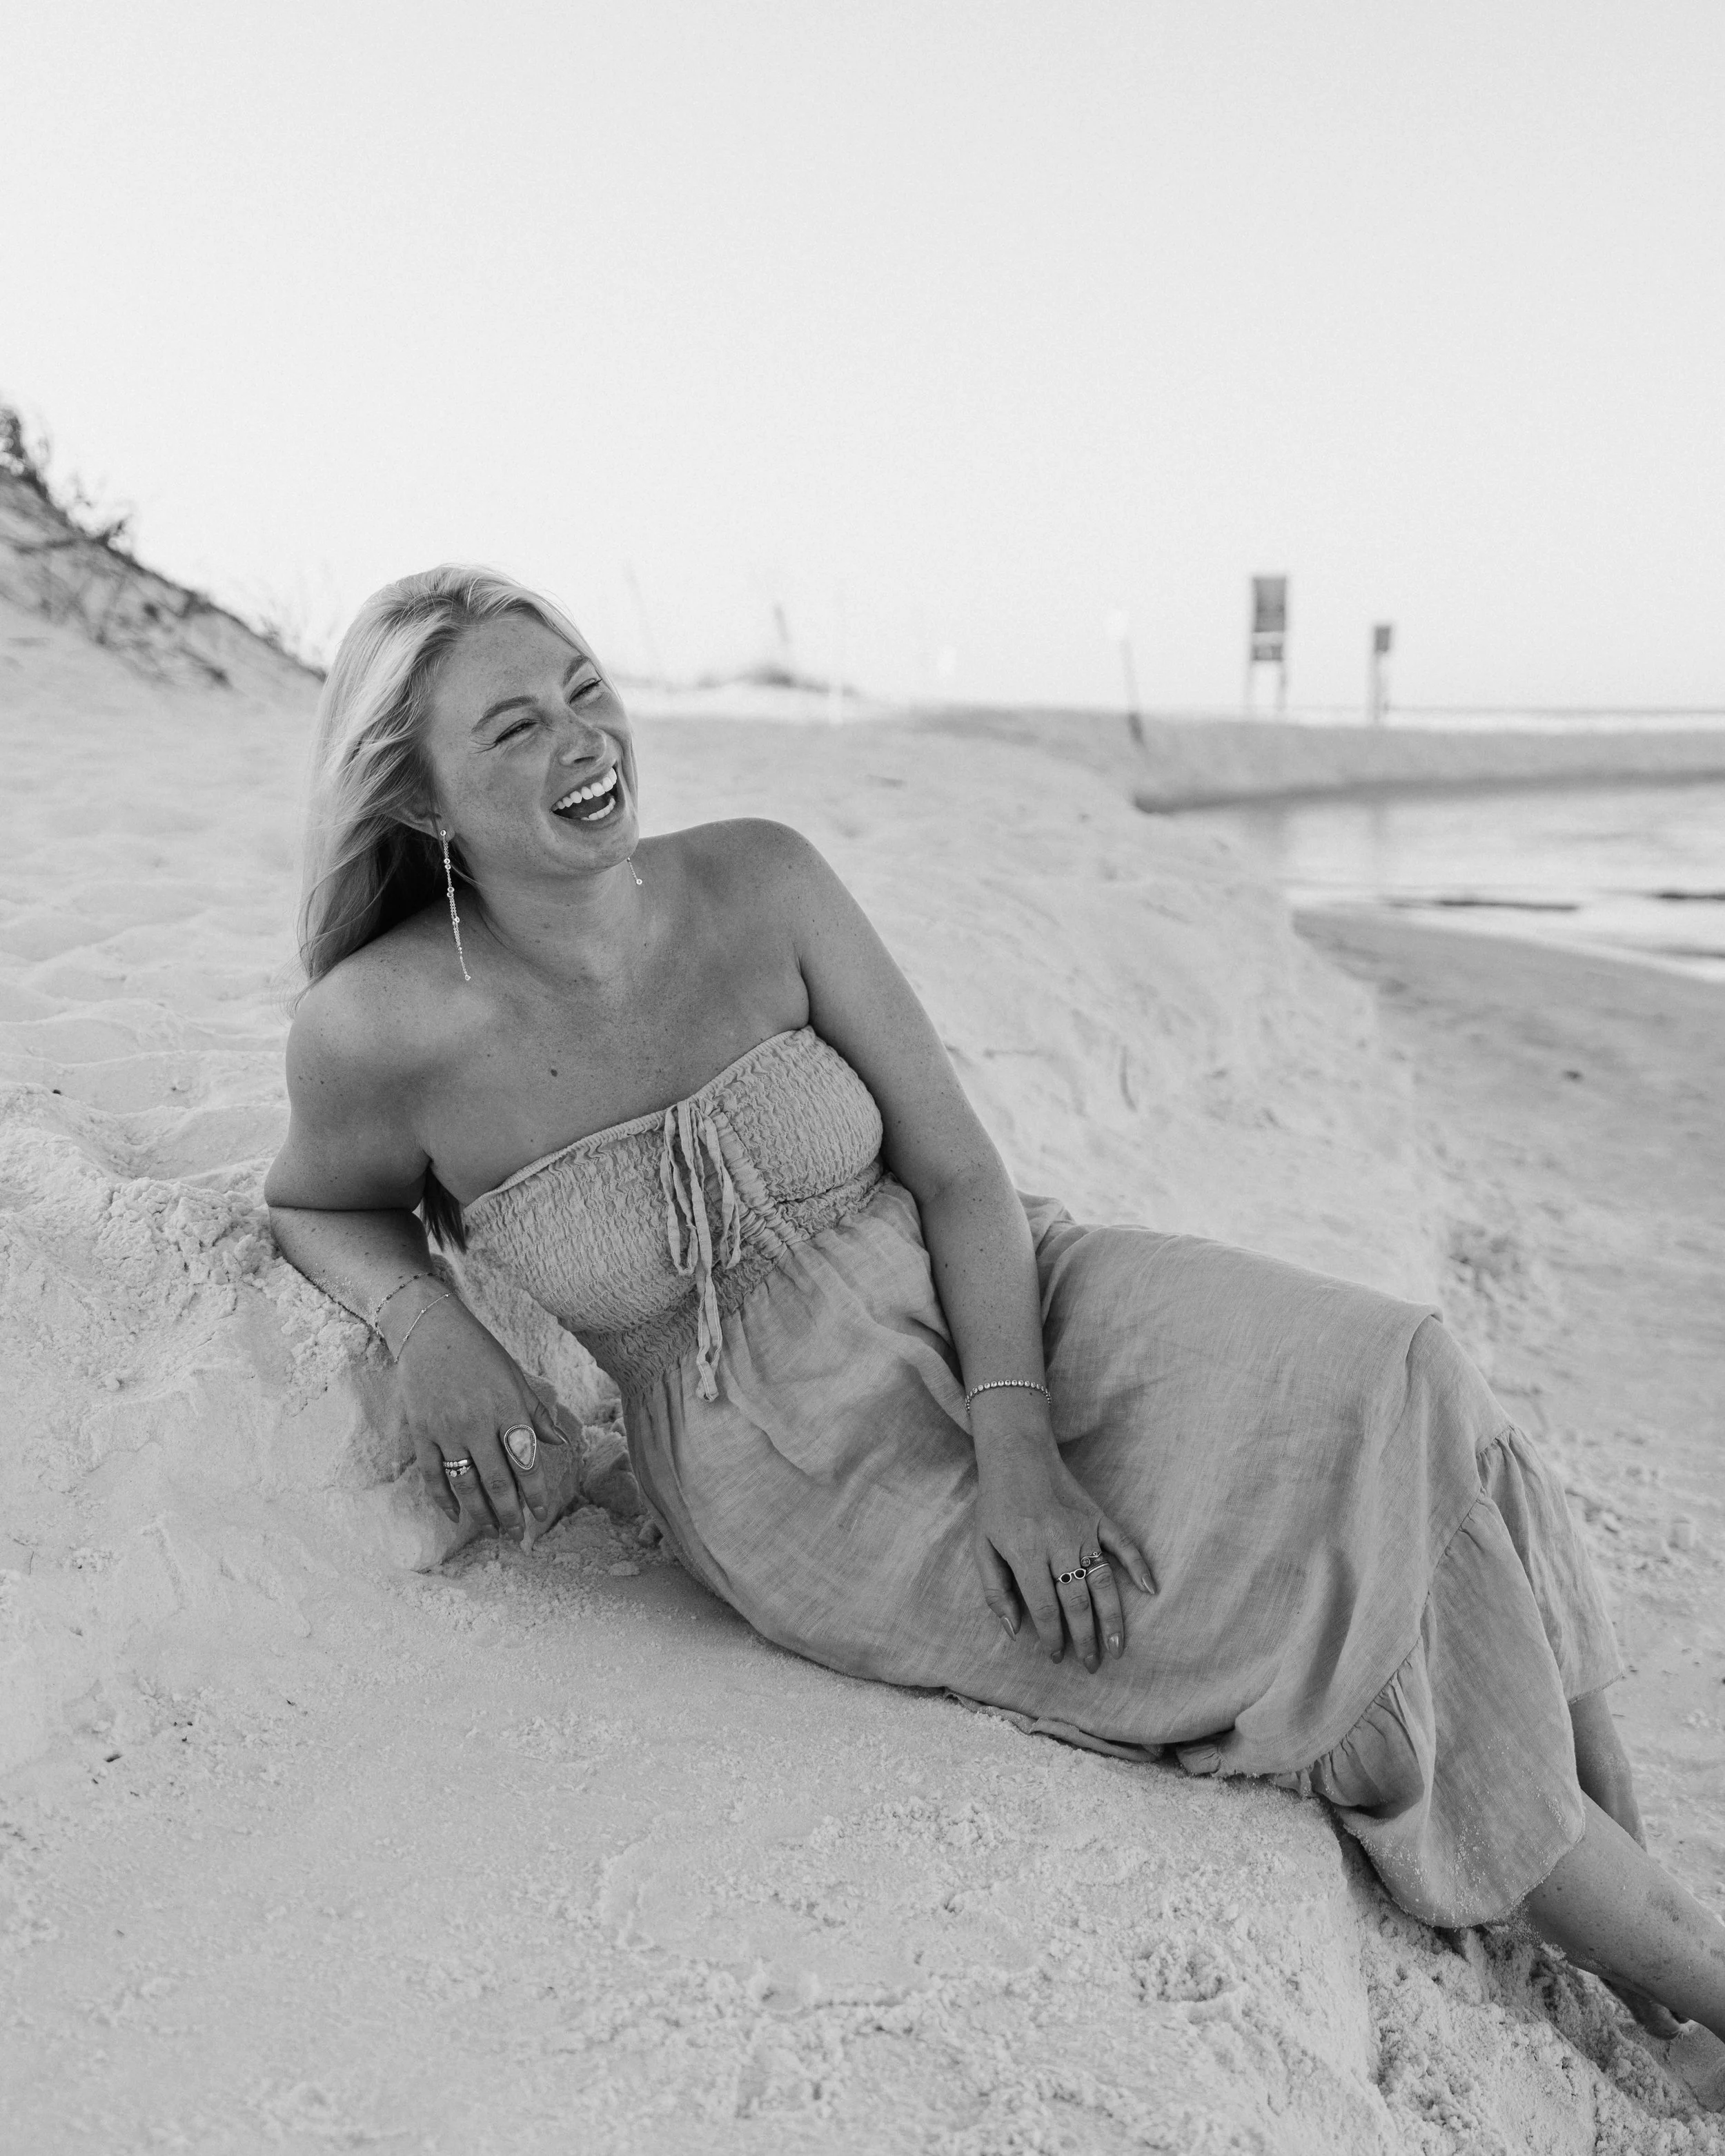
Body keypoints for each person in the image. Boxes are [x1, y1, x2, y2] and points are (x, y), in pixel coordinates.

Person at [265, 565, 1725, 2048]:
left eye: (584, 689)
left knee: (1398, 1372)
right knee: (1311, 1638)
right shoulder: (379, 1030)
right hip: (806, 1475)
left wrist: (1021, 1449)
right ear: (424, 801)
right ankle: (1680, 1964)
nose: (583, 739)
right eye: (512, 727)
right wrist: (423, 1318)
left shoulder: (759, 876)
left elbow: (957, 1165)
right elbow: (316, 1197)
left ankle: (1621, 1844)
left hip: (1006, 1294)